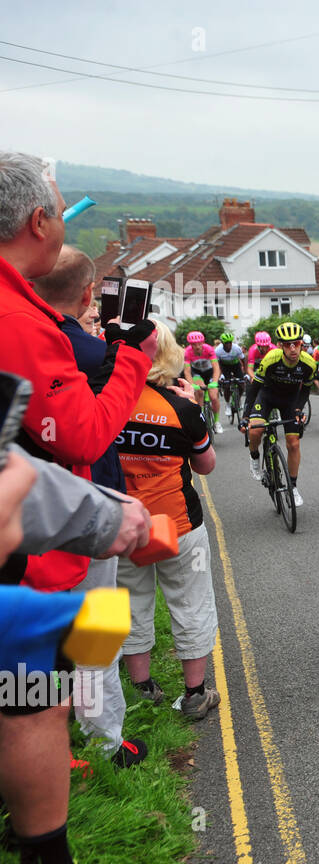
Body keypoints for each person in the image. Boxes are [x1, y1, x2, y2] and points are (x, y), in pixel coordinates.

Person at [0, 149, 156, 864]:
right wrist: (132, 359)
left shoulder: (45, 319)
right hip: (64, 525)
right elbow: (91, 431)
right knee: (86, 631)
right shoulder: (58, 335)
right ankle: (101, 731)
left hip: (56, 516)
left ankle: (90, 728)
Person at [30, 247, 144, 763]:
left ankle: (39, 743)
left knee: (32, 638)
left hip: (25, 509)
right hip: (86, 503)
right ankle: (103, 741)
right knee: (98, 630)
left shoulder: (24, 338)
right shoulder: (92, 352)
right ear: (85, 296)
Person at [116, 324, 221, 719]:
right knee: (191, 602)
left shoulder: (107, 402)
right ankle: (195, 694)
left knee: (129, 602)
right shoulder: (182, 409)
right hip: (178, 523)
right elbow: (206, 465)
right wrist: (194, 407)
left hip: (124, 523)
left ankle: (143, 688)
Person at [241, 321, 317, 507]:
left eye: (296, 344)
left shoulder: (309, 364)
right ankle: (254, 457)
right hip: (266, 396)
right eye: (287, 344)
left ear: (301, 344)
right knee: (255, 431)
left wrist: (299, 409)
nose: (292, 348)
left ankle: (293, 486)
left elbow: (306, 390)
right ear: (280, 345)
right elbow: (254, 388)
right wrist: (245, 416)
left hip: (290, 400)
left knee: (293, 443)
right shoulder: (271, 359)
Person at [182, 331, 222, 433]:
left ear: (203, 342)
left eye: (199, 343)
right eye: (194, 344)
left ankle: (217, 422)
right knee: (199, 392)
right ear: (190, 345)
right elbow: (187, 371)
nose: (197, 346)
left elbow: (216, 367)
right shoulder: (187, 352)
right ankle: (201, 418)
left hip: (210, 373)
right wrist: (192, 385)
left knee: (213, 396)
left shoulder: (209, 349)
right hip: (197, 374)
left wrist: (215, 381)